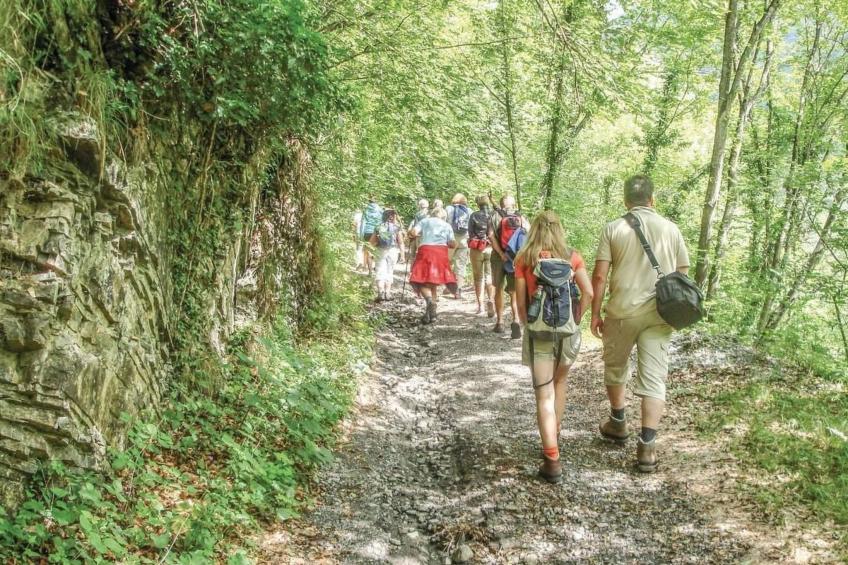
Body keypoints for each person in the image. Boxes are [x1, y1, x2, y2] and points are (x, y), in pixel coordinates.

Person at [590, 174, 691, 473]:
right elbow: (682, 273)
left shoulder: (614, 228)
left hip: (621, 311)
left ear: (625, 200)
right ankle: (647, 447)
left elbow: (599, 276)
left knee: (616, 366)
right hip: (660, 314)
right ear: (652, 199)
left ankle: (618, 422)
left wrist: (595, 314)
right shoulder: (672, 229)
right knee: (654, 379)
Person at [514, 211, 593, 483]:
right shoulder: (573, 256)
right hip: (568, 330)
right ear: (560, 229)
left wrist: (527, 323)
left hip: (540, 332)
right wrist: (577, 316)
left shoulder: (524, 259)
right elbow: (589, 293)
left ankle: (552, 458)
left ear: (534, 229)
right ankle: (554, 433)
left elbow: (521, 302)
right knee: (560, 383)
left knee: (543, 393)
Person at [408, 208, 458, 324]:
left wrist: (411, 235)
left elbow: (413, 232)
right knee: (433, 282)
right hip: (440, 253)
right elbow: (452, 243)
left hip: (426, 251)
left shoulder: (425, 221)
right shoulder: (447, 225)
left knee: (421, 280)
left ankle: (429, 301)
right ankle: (432, 314)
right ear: (444, 216)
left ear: (432, 214)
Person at [489, 194, 528, 338]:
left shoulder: (494, 215)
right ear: (514, 203)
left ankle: (499, 322)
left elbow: (491, 236)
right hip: (515, 258)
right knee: (514, 291)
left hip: (499, 257)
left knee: (498, 288)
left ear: (501, 204)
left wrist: (500, 253)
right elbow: (527, 235)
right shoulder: (521, 217)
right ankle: (516, 320)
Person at [369, 209, 406, 302]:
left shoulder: (378, 227)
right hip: (393, 251)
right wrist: (402, 255)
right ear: (393, 217)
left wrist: (370, 252)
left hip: (380, 250)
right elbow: (401, 242)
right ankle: (388, 293)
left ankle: (380, 293)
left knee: (380, 271)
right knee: (390, 271)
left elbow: (371, 242)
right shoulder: (396, 227)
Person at [468, 195, 495, 316]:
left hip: (477, 248)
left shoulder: (474, 215)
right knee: (490, 276)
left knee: (478, 278)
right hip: (490, 248)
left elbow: (470, 233)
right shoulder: (494, 215)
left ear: (478, 204)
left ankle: (481, 307)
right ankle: (491, 301)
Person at [445, 193, 471, 298]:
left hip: (451, 239)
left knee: (447, 263)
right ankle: (458, 290)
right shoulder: (469, 211)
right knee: (461, 265)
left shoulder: (448, 209)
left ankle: (449, 286)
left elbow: (445, 223)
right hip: (464, 240)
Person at [360, 197, 384, 275]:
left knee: (368, 252)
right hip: (377, 232)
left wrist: (361, 235)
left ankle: (370, 271)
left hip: (367, 232)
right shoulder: (380, 210)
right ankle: (377, 270)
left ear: (369, 201)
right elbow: (382, 222)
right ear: (377, 201)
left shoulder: (366, 210)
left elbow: (363, 223)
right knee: (376, 251)